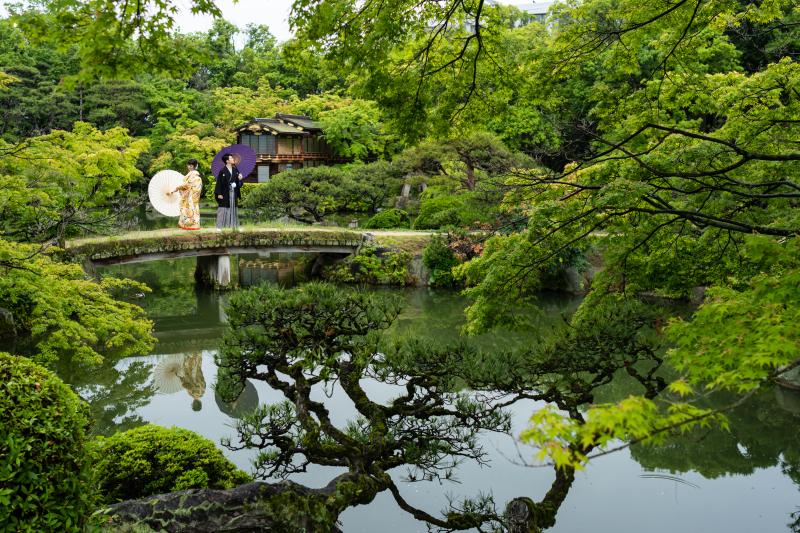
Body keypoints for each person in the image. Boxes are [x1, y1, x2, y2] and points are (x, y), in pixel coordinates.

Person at [214, 153, 243, 232]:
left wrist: (239, 180)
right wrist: (219, 193)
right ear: (227, 161)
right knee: (222, 209)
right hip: (225, 192)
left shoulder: (235, 170)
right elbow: (219, 183)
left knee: (233, 209)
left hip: (233, 192)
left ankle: (235, 226)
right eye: (231, 158)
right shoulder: (222, 171)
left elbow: (239, 184)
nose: (233, 159)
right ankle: (219, 227)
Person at [173, 158, 203, 230]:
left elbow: (186, 184)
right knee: (192, 210)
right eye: (189, 165)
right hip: (192, 196)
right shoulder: (195, 176)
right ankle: (191, 226)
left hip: (190, 196)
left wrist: (178, 188)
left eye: (192, 166)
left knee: (189, 210)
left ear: (195, 166)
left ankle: (189, 226)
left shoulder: (193, 176)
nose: (190, 167)